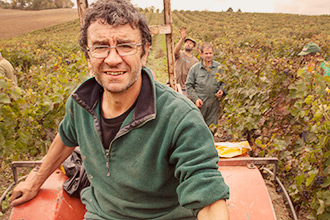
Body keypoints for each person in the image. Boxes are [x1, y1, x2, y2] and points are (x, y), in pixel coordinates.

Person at [10, 1, 230, 219]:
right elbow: (66, 138)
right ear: (88, 56)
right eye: (100, 46)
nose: (113, 59)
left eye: (125, 46)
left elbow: (207, 194)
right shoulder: (80, 104)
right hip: (103, 215)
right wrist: (35, 181)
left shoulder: (180, 116)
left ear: (144, 53)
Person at [186, 42, 226, 128]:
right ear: (201, 54)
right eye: (206, 53)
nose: (208, 55)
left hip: (214, 103)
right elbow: (188, 85)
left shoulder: (219, 67)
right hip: (201, 103)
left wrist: (222, 90)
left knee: (212, 127)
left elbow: (224, 82)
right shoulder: (195, 69)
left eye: (210, 53)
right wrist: (196, 99)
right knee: (198, 126)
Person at [174, 26, 199, 96]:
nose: (188, 44)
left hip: (184, 89)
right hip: (172, 84)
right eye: (187, 42)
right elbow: (174, 52)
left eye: (190, 43)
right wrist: (182, 39)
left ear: (193, 47)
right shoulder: (179, 54)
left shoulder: (195, 61)